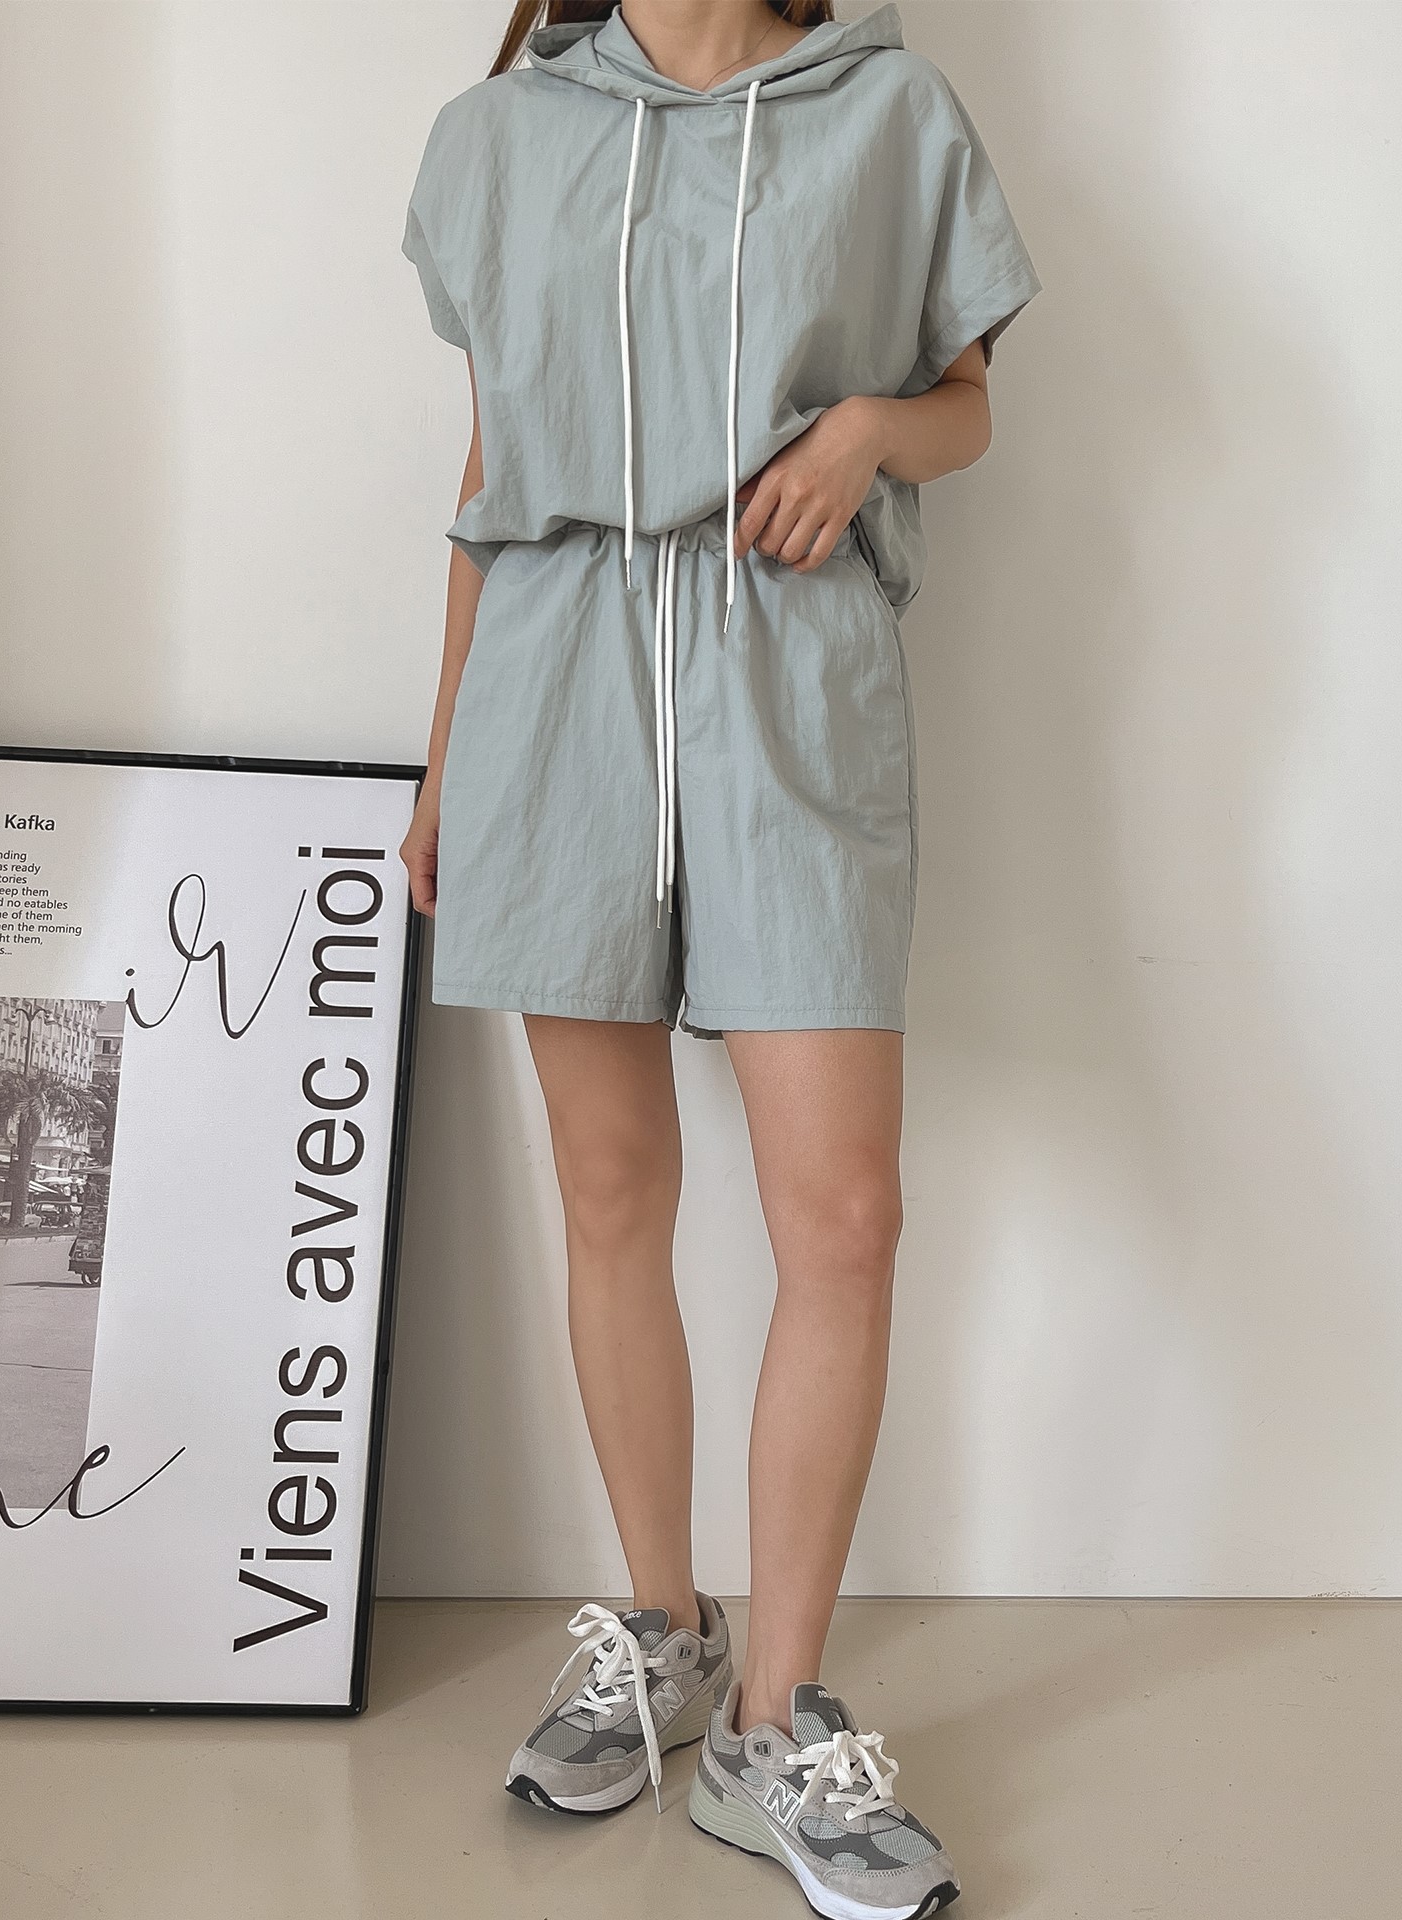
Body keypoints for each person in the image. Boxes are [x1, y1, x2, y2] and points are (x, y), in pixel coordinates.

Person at [399, 3, 1041, 1913]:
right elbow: (493, 462)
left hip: (793, 673)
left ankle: (774, 1725)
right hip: (558, 687)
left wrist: (868, 432)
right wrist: (444, 765)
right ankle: (663, 1630)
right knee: (611, 1189)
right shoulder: (500, 136)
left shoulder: (890, 110)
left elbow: (966, 399)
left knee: (843, 1214)